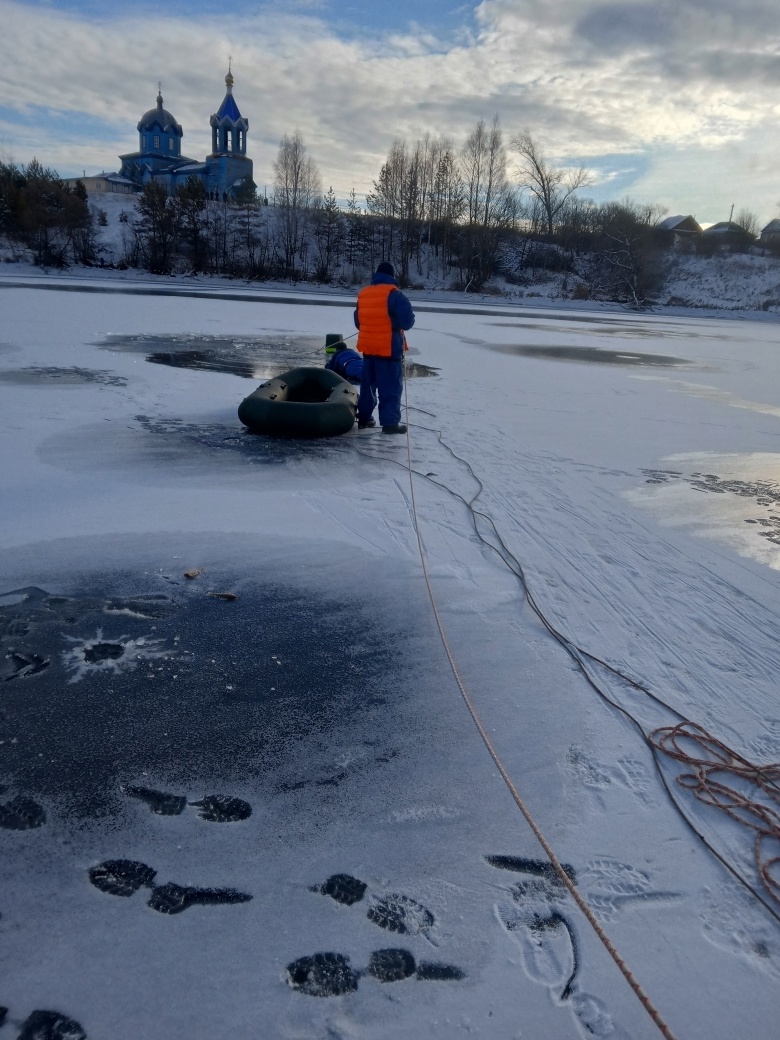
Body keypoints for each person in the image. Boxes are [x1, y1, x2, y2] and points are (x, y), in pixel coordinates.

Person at [354, 261, 415, 433]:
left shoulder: (363, 294)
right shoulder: (395, 295)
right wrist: (392, 323)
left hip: (369, 349)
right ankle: (389, 424)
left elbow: (358, 322)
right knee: (390, 388)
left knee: (368, 387)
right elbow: (407, 321)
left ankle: (364, 419)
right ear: (392, 276)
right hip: (388, 350)